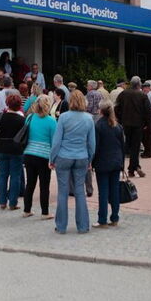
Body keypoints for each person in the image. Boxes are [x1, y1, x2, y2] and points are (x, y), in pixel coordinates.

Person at [50, 90, 96, 234]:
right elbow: (91, 143)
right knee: (80, 191)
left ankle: (61, 226)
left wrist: (52, 158)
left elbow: (56, 141)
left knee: (63, 192)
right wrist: (90, 159)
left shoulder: (63, 117)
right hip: (81, 156)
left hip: (64, 156)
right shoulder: (89, 119)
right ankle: (83, 226)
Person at [22, 94, 56, 218]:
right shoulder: (52, 121)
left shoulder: (30, 117)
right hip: (44, 155)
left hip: (29, 153)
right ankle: (45, 212)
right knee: (44, 185)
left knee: (30, 183)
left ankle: (26, 210)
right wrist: (54, 159)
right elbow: (54, 142)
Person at [92, 100, 125, 228]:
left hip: (102, 162)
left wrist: (92, 162)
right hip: (116, 162)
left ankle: (102, 219)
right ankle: (115, 217)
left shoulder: (98, 125)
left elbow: (96, 146)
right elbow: (122, 146)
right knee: (114, 190)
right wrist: (122, 162)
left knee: (103, 192)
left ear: (100, 111)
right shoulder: (117, 126)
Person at [0, 93, 25, 210]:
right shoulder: (22, 120)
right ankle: (13, 202)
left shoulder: (0, 117)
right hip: (16, 149)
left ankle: (2, 201)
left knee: (2, 175)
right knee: (15, 175)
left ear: (7, 104)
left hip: (1, 147)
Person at [114, 76, 151, 177]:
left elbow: (116, 108)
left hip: (126, 124)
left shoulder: (123, 94)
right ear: (139, 84)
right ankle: (133, 168)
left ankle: (129, 167)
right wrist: (147, 124)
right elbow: (148, 111)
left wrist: (120, 119)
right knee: (135, 147)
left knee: (127, 145)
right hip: (138, 124)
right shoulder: (142, 95)